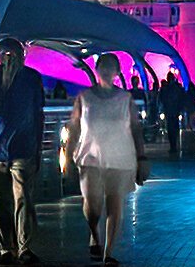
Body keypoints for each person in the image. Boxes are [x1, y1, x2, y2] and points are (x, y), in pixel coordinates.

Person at [65, 54, 147, 266]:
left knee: (114, 204)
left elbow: (136, 129)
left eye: (112, 67)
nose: (107, 71)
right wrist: (68, 154)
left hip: (120, 158)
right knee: (92, 207)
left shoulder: (125, 98)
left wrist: (142, 157)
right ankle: (94, 232)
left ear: (118, 72)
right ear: (97, 69)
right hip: (90, 157)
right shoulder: (84, 97)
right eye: (104, 67)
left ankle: (108, 252)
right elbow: (74, 127)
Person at [0, 38, 46, 265]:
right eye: (6, 54)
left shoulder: (32, 78)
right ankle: (6, 248)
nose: (11, 59)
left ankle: (24, 247)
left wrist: (38, 148)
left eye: (14, 54)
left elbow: (38, 114)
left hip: (23, 147)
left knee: (23, 198)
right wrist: (5, 84)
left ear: (23, 56)